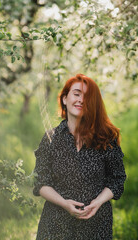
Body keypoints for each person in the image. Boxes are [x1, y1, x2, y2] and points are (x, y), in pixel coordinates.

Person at [33, 74, 126, 240]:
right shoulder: (51, 138)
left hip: (96, 225)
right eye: (76, 94)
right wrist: (64, 204)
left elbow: (117, 179)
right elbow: (41, 182)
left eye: (87, 97)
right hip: (55, 224)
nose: (81, 100)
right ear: (64, 99)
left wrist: (97, 202)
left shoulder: (106, 139)